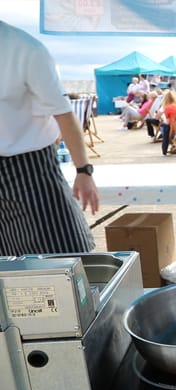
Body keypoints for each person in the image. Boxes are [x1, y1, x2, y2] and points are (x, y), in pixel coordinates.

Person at [0, 21, 98, 256]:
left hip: (30, 173)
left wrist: (84, 171)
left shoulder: (24, 48)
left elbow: (63, 113)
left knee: (63, 259)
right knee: (7, 277)